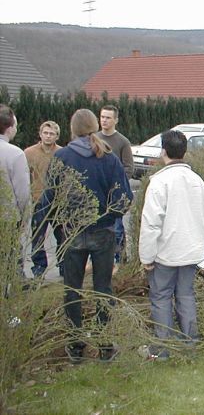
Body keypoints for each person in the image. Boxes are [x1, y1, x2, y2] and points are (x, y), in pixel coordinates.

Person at [43, 109, 132, 363]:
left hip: (71, 233)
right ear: (95, 126)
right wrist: (108, 219)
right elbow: (124, 198)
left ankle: (75, 345)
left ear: (72, 129)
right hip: (102, 232)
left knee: (72, 289)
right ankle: (105, 345)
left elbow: (50, 199)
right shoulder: (108, 158)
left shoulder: (61, 157)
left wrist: (58, 228)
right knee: (103, 289)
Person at [138, 130, 204, 359]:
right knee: (186, 295)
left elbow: (151, 224)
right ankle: (190, 344)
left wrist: (146, 258)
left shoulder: (160, 182)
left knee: (161, 297)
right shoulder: (198, 181)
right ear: (184, 152)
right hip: (191, 252)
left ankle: (161, 349)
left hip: (166, 255)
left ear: (163, 152)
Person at [24, 121, 63, 277]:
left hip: (58, 201)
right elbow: (25, 176)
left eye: (51, 133)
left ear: (57, 136)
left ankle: (63, 264)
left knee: (61, 234)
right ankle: (39, 265)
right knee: (38, 235)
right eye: (45, 133)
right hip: (38, 200)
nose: (48, 136)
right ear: (40, 134)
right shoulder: (29, 153)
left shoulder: (62, 153)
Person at [96, 105, 133, 265]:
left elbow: (129, 168)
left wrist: (116, 185)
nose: (104, 120)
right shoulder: (94, 139)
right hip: (97, 194)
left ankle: (117, 259)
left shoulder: (122, 142)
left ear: (115, 120)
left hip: (115, 195)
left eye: (108, 117)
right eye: (102, 117)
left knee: (116, 228)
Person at [0, 105, 30, 222]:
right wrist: (26, 218)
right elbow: (23, 193)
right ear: (9, 128)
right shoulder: (16, 154)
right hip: (7, 218)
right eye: (15, 126)